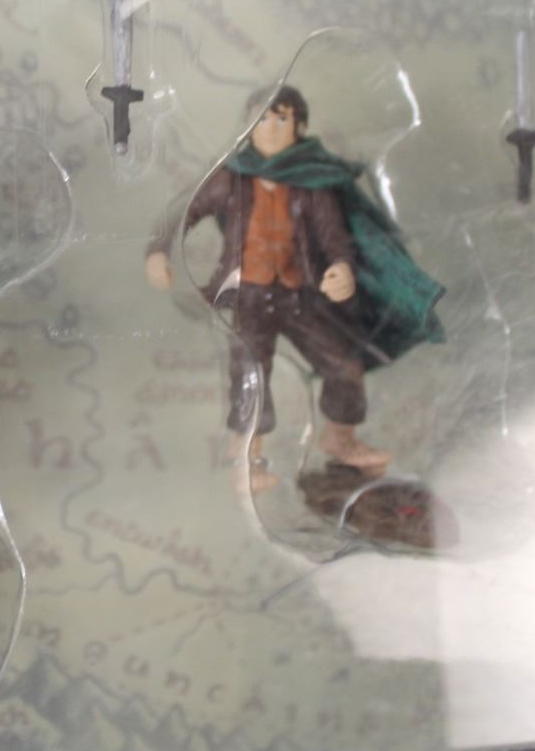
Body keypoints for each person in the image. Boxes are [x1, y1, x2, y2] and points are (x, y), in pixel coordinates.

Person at [145, 85, 443, 493]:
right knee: (250, 377)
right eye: (261, 119)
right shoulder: (232, 178)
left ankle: (341, 439)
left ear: (299, 127)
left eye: (280, 119)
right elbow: (182, 212)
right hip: (249, 297)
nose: (269, 128)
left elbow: (334, 237)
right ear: (248, 126)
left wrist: (341, 269)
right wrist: (157, 252)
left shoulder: (313, 183)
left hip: (300, 295)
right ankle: (245, 459)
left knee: (345, 367)